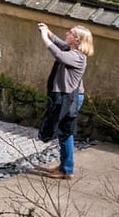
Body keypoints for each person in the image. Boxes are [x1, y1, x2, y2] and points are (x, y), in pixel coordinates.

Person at [36, 23, 94, 180]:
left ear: (77, 40)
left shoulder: (78, 57)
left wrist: (44, 37)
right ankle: (64, 166)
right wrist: (48, 32)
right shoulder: (71, 49)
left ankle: (67, 170)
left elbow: (58, 54)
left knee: (66, 133)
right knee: (63, 132)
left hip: (70, 98)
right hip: (67, 97)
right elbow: (59, 43)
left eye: (70, 33)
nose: (66, 34)